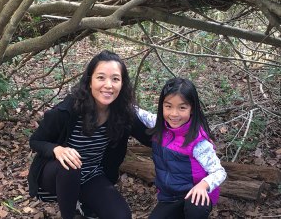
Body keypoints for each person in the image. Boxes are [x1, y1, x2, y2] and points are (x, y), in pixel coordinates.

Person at [27, 50, 152, 219]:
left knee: (121, 216)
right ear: (90, 81)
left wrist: (185, 131)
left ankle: (84, 203)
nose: (108, 85)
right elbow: (36, 141)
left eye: (115, 79)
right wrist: (57, 149)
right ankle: (69, 215)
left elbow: (149, 138)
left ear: (122, 84)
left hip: (91, 175)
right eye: (101, 77)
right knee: (71, 163)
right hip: (56, 176)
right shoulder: (68, 110)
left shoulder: (123, 113)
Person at [147, 77, 227, 219]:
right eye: (168, 106)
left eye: (182, 107)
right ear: (162, 106)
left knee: (195, 208)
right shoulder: (160, 124)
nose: (174, 114)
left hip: (195, 194)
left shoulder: (198, 142)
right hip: (170, 196)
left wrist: (203, 185)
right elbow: (142, 115)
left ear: (192, 109)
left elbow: (219, 172)